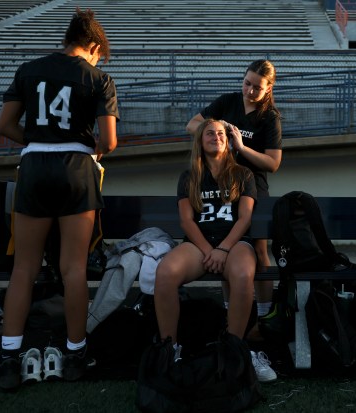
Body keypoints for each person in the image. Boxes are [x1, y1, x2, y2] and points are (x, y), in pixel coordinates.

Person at [0, 8, 118, 391]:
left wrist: (36, 142)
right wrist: (86, 150)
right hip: (76, 170)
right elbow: (110, 141)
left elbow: (4, 126)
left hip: (33, 168)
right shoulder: (99, 78)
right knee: (73, 269)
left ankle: (10, 359)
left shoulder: (29, 69)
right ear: (94, 45)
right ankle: (75, 354)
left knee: (24, 270)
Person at [155, 118, 276, 383]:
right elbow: (187, 220)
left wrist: (222, 249)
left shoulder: (243, 174)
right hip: (200, 244)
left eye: (221, 133)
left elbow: (244, 218)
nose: (216, 137)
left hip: (234, 243)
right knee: (164, 272)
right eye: (209, 133)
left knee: (244, 275)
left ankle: (235, 349)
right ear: (199, 140)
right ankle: (169, 349)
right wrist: (209, 250)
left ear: (229, 140)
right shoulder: (189, 176)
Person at [186, 59, 282, 341]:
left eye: (257, 88)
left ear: (269, 88)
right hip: (221, 187)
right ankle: (231, 315)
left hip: (253, 189)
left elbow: (273, 163)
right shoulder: (228, 102)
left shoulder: (270, 116)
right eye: (247, 83)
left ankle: (264, 316)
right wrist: (217, 131)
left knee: (261, 252)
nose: (250, 91)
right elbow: (191, 125)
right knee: (226, 250)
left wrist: (240, 147)